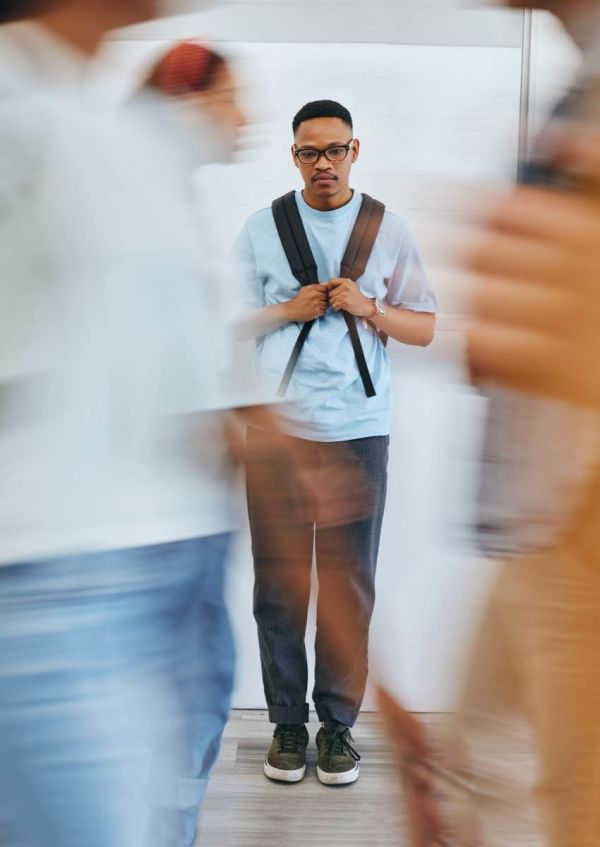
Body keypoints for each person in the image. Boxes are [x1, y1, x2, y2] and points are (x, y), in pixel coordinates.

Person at [0, 7, 258, 847]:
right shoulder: (31, 114)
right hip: (56, 572)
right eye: (231, 101)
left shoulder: (78, 118)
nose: (244, 120)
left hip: (157, 546)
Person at [236, 98, 437, 786]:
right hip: (280, 432)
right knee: (280, 585)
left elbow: (425, 328)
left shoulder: (389, 228)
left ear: (356, 150)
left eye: (334, 150)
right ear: (292, 156)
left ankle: (339, 728)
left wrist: (370, 308)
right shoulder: (262, 228)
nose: (323, 163)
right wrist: (286, 310)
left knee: (349, 587)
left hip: (359, 429)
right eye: (308, 152)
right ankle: (288, 725)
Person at [440, 2, 600, 844]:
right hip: (539, 514)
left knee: (573, 794)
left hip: (577, 523)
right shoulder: (583, 80)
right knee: (477, 761)